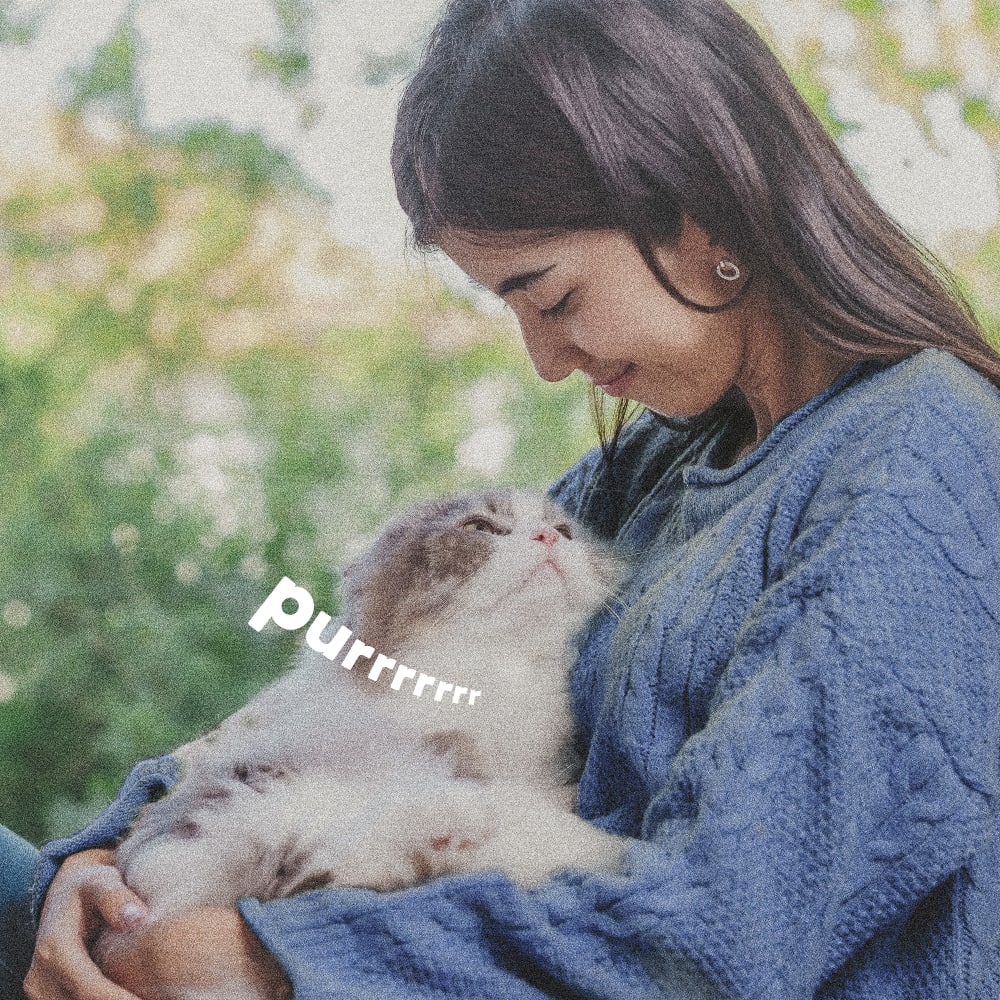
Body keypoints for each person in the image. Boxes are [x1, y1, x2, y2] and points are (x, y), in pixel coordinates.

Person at [8, 0, 1000, 996]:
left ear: (704, 215)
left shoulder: (919, 472)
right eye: (513, 311)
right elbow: (370, 664)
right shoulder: (650, 468)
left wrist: (275, 961)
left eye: (554, 296)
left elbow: (717, 933)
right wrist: (98, 856)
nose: (545, 361)